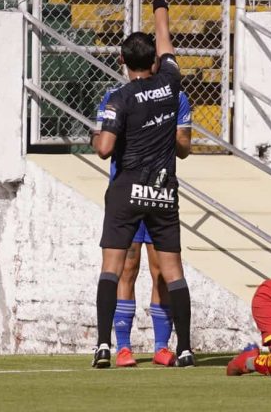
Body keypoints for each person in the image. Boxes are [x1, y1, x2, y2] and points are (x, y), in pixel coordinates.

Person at [91, 0, 195, 368]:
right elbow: (165, 35)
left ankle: (105, 345)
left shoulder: (119, 97)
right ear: (155, 58)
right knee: (170, 270)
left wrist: (93, 134)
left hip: (127, 189)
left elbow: (104, 149)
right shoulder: (171, 84)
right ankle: (183, 347)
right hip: (162, 190)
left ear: (121, 60)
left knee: (114, 268)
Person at [94, 88, 192, 367]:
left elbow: (184, 148)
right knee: (127, 266)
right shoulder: (115, 96)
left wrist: (176, 138)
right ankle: (123, 347)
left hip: (157, 192)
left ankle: (162, 347)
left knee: (161, 269)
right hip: (128, 190)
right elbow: (104, 139)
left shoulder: (176, 97)